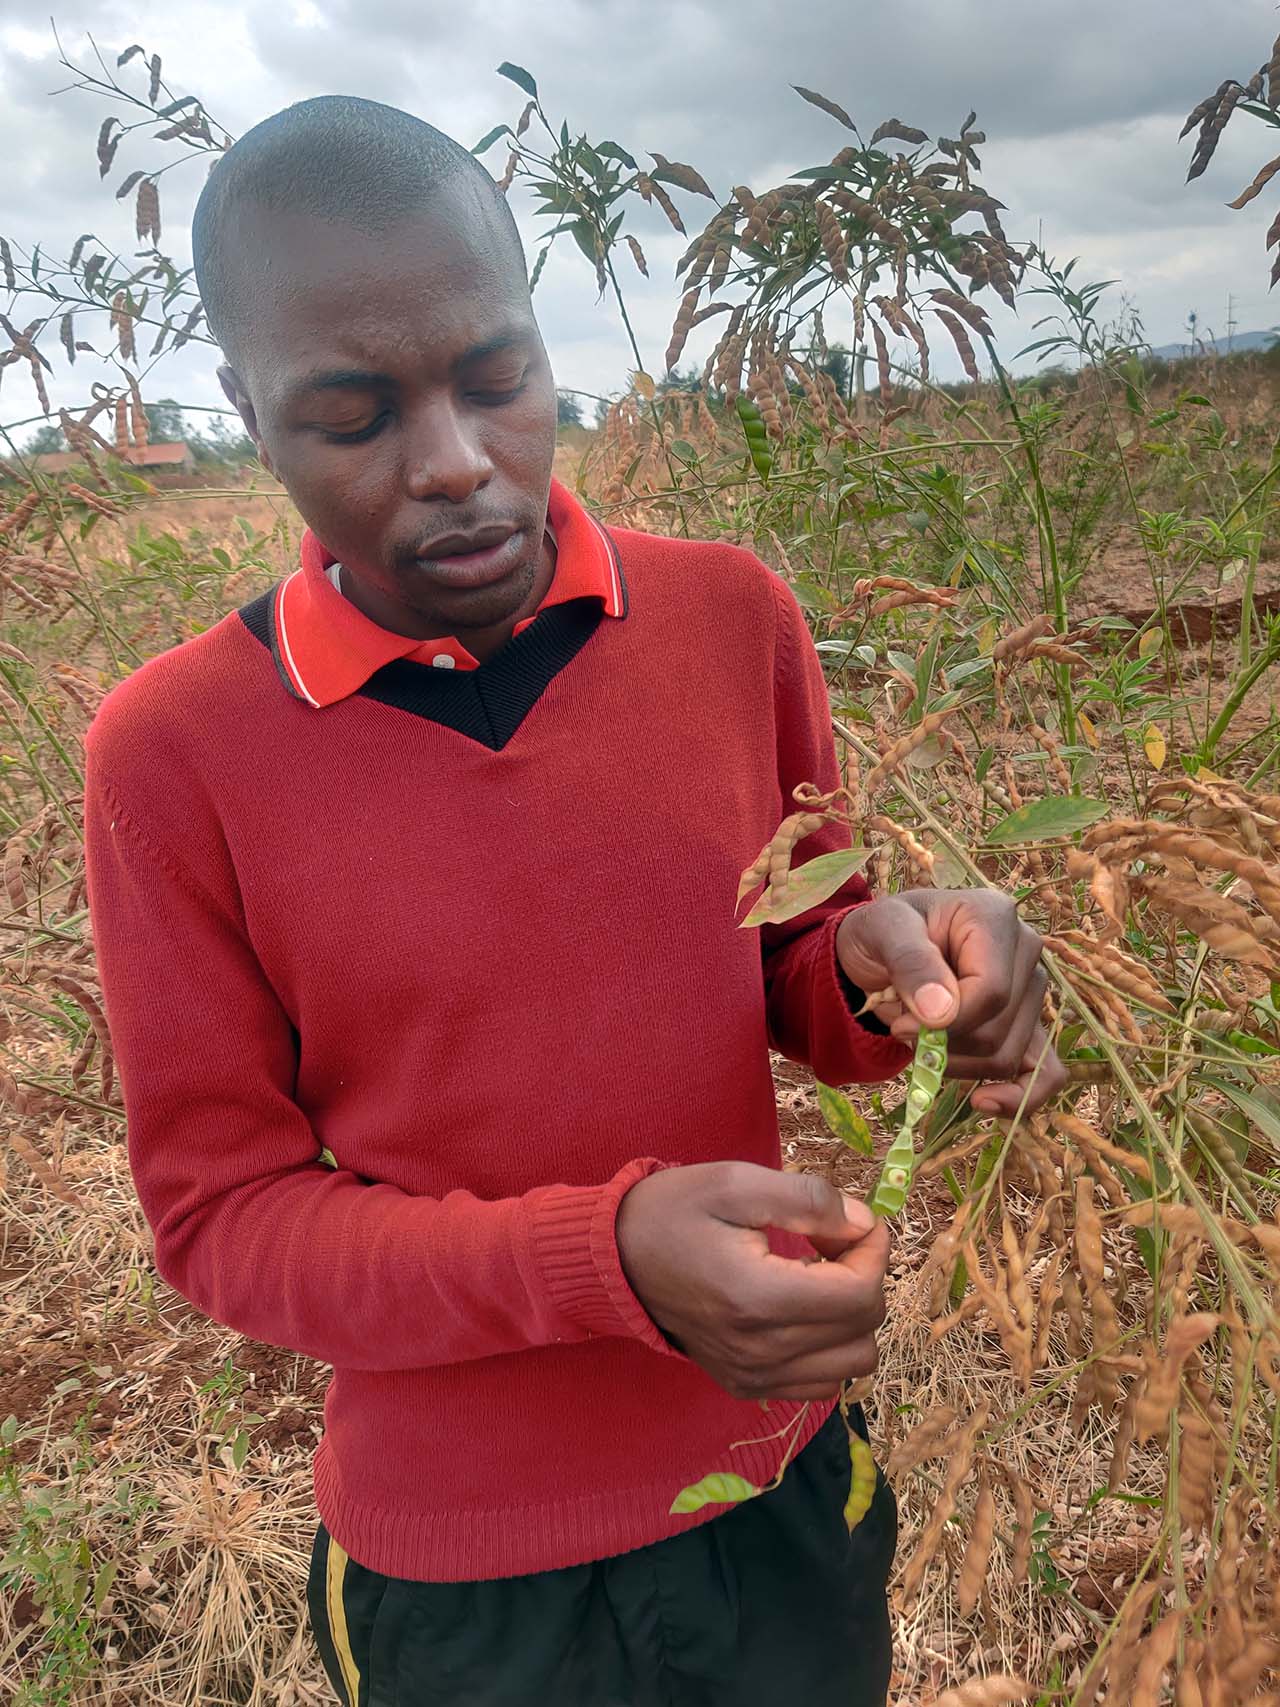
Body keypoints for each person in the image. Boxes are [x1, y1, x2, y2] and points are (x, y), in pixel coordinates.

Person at [82, 95, 1065, 1707]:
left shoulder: (730, 621)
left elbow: (797, 964)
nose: (459, 463)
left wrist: (911, 972)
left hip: (777, 1487)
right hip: (458, 1574)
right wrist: (602, 1255)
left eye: (497, 380)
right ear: (242, 413)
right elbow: (223, 1222)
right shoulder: (174, 756)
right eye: (353, 416)